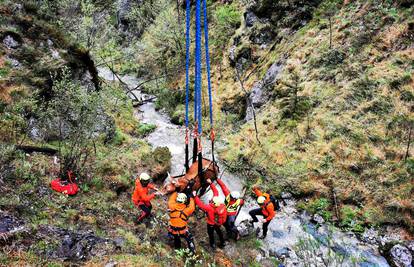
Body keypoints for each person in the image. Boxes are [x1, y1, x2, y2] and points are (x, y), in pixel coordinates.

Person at [193, 181, 227, 249]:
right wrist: (210, 183)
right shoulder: (221, 205)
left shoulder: (209, 208)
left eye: (212, 201)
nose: (211, 200)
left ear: (213, 202)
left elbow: (200, 204)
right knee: (218, 231)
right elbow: (216, 192)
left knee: (210, 234)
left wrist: (195, 196)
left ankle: (212, 244)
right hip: (218, 223)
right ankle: (223, 242)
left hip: (211, 223)